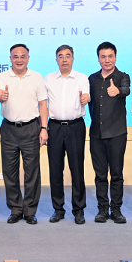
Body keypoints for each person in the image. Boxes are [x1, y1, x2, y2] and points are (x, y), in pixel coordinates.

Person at [0, 44, 48, 225]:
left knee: (32, 172)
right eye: (15, 56)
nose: (19, 60)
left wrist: (44, 128)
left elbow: (43, 105)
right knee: (9, 172)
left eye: (22, 56)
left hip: (31, 128)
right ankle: (15, 209)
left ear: (28, 58)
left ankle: (30, 210)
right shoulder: (2, 76)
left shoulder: (37, 77)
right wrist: (1, 96)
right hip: (9, 128)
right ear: (10, 58)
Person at [44, 45, 90, 224]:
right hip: (54, 127)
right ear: (56, 59)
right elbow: (42, 103)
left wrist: (86, 98)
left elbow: (86, 95)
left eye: (68, 56)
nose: (64, 59)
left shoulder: (81, 78)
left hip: (75, 126)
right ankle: (58, 209)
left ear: (73, 59)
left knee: (77, 169)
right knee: (55, 169)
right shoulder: (48, 79)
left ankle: (79, 210)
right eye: (61, 56)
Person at [87, 41, 131, 223]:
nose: (107, 60)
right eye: (103, 57)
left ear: (115, 57)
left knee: (117, 174)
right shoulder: (91, 79)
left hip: (117, 133)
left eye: (110, 56)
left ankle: (117, 209)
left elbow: (127, 90)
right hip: (96, 134)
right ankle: (103, 209)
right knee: (100, 175)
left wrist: (117, 90)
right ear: (98, 58)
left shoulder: (122, 76)